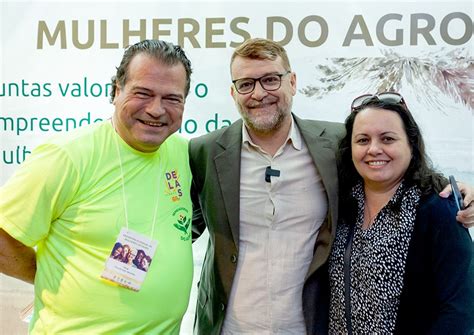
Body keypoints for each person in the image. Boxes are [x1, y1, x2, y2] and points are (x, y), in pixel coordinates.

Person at [189, 38, 474, 334]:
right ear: (233, 92)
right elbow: (182, 225)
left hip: (308, 326)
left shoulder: (335, 143)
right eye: (246, 83)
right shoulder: (205, 151)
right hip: (229, 327)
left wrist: (457, 190)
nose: (259, 93)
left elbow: (394, 164)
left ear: (293, 82)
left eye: (271, 80)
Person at [0, 39, 194, 334]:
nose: (156, 110)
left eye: (172, 98)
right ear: (117, 90)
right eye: (143, 93)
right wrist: (48, 276)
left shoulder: (186, 156)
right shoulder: (68, 156)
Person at [329, 92, 474, 334]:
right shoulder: (342, 204)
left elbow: (461, 311)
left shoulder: (437, 209)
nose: (374, 149)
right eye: (363, 140)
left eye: (387, 139)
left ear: (411, 144)